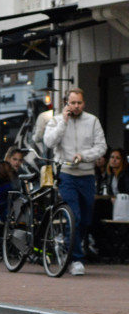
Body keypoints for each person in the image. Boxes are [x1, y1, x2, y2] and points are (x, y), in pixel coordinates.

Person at [43, 88, 108, 276]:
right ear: (66, 103)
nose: (76, 106)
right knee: (75, 217)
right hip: (66, 174)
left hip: (87, 175)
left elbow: (101, 147)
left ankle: (68, 243)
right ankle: (76, 259)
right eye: (73, 103)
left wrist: (84, 156)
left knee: (86, 219)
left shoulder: (93, 121)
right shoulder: (56, 120)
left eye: (79, 103)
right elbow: (49, 142)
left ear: (84, 103)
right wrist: (63, 122)